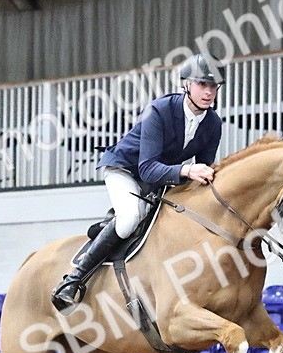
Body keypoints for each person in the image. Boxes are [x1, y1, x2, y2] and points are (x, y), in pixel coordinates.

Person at [51, 53, 226, 312]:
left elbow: (203, 171)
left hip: (162, 178)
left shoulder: (213, 124)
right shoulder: (160, 110)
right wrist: (187, 170)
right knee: (131, 217)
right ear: (186, 84)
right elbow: (147, 168)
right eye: (202, 85)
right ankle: (74, 279)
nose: (209, 92)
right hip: (127, 169)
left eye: (214, 86)